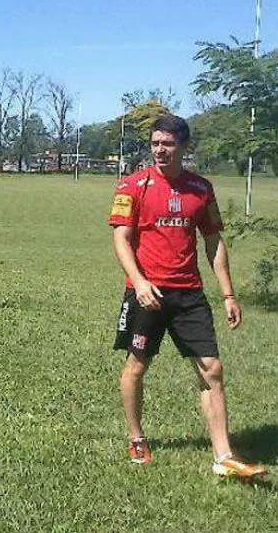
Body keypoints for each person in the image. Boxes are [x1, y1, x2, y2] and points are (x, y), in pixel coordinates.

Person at [108, 114, 266, 478]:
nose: (160, 150)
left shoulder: (201, 189)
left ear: (183, 146)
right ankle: (136, 436)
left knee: (212, 368)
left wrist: (227, 293)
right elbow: (121, 239)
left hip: (190, 294)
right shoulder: (132, 186)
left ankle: (223, 455)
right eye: (155, 143)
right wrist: (140, 282)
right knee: (137, 365)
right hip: (146, 293)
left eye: (168, 143)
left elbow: (213, 242)